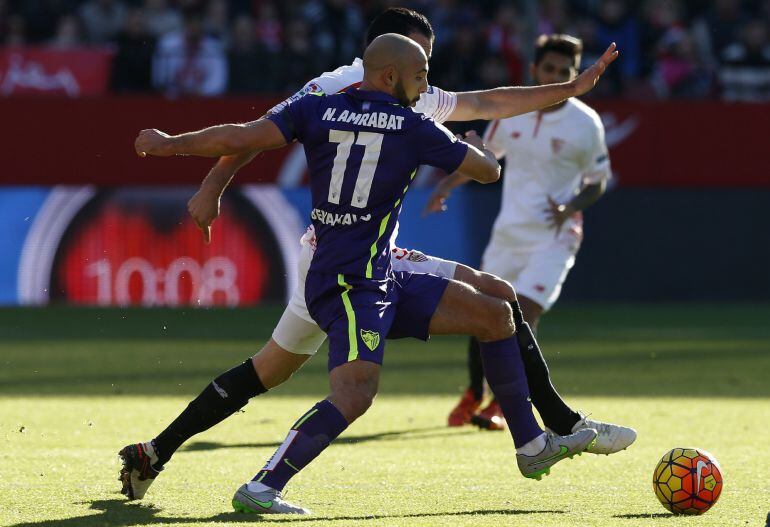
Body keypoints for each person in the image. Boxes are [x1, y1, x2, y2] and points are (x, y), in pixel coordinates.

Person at [118, 7, 631, 504]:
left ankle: (156, 450)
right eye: (422, 62)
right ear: (388, 62)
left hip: (349, 256)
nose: (429, 81)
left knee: (269, 369)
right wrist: (212, 185)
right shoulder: (336, 89)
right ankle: (550, 434)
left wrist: (566, 91)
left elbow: (490, 102)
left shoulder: (404, 93)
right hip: (344, 263)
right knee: (354, 382)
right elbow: (253, 136)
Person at [428, 34, 622, 435]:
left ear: (572, 76)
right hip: (508, 233)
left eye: (562, 72)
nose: (553, 75)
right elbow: (485, 158)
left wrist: (571, 206)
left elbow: (598, 180)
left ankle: (504, 400)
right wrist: (447, 187)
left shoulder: (585, 123)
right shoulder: (511, 114)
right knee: (481, 310)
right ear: (535, 71)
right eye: (547, 69)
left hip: (555, 235)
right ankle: (472, 392)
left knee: (525, 311)